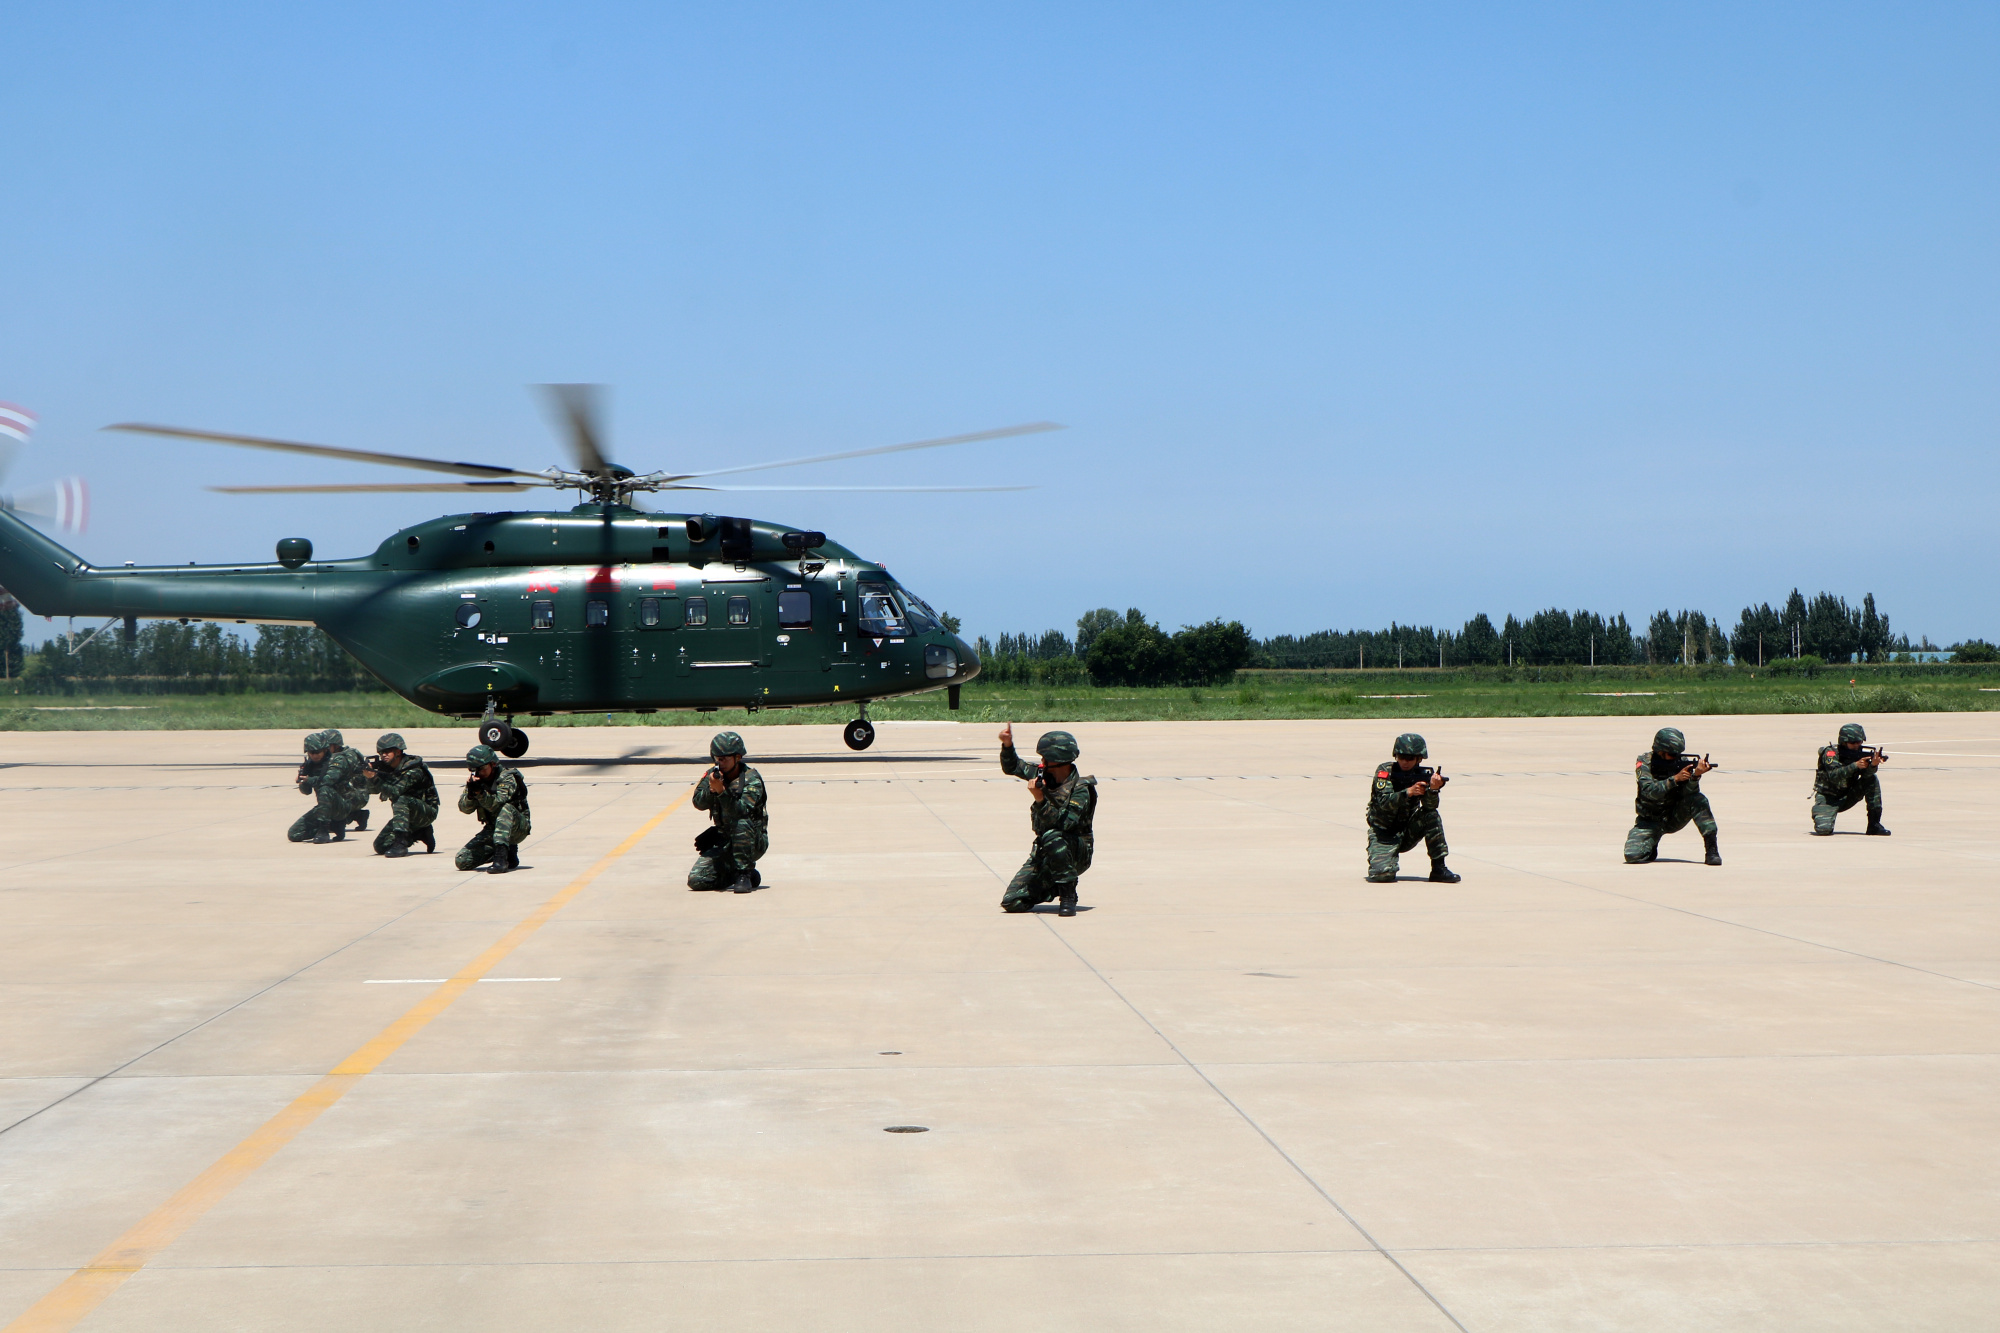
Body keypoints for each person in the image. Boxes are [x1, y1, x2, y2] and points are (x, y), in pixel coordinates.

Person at [998, 724, 1096, 916]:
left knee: (1053, 835)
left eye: (1045, 758)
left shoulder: (1081, 789)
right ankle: (1055, 884)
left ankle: (1068, 894)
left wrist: (1040, 798)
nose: (1041, 762)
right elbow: (1013, 767)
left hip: (1075, 851)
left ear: (1059, 761)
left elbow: (1063, 824)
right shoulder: (1043, 775)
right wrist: (1007, 745)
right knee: (1013, 902)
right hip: (1047, 850)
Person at [1365, 732, 1459, 883]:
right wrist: (1407, 792)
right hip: (1384, 834)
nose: (1405, 762)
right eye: (1401, 757)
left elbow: (1430, 806)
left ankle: (1439, 868)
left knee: (1431, 815)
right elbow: (1383, 803)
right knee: (1382, 875)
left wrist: (1433, 790)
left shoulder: (1422, 775)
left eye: (1410, 758)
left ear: (1418, 759)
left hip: (1407, 831)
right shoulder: (1385, 772)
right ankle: (1388, 861)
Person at [1624, 727, 1721, 865]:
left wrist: (1695, 776)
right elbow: (1648, 790)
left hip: (1673, 816)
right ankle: (1651, 843)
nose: (1676, 757)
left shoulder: (1682, 762)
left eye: (1677, 754)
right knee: (1633, 856)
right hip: (1649, 821)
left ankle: (1711, 849)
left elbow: (1688, 794)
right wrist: (1675, 779)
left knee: (1699, 800)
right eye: (1671, 754)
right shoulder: (1645, 762)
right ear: (1660, 751)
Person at [688, 731, 767, 893]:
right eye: (716, 758)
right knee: (697, 880)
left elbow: (742, 811)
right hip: (726, 840)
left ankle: (744, 873)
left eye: (724, 759)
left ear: (737, 758)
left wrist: (722, 792)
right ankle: (739, 873)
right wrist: (712, 790)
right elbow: (698, 803)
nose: (720, 762)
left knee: (742, 822)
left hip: (752, 841)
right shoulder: (714, 775)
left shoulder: (751, 780)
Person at [457, 743, 530, 873]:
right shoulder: (478, 781)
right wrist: (471, 794)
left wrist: (481, 794)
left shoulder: (507, 778)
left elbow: (497, 803)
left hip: (517, 827)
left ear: (493, 764)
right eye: (475, 770)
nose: (479, 773)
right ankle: (507, 854)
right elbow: (464, 809)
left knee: (505, 808)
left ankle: (501, 858)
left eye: (482, 768)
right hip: (493, 829)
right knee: (463, 860)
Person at [288, 729, 369, 844]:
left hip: (342, 804)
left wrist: (309, 779)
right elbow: (307, 792)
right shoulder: (309, 765)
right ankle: (334, 825)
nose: (314, 755)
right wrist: (303, 782)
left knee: (325, 789)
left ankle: (324, 830)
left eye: (318, 752)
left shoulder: (337, 760)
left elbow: (328, 781)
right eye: (311, 752)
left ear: (325, 750)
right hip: (325, 808)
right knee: (294, 834)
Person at [366, 732, 439, 857]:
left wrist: (375, 778)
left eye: (388, 751)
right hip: (405, 815)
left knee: (401, 798)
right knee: (380, 846)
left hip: (426, 812)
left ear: (398, 752)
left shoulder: (413, 770)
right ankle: (420, 833)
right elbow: (374, 790)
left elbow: (395, 792)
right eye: (381, 752)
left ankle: (401, 844)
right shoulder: (389, 768)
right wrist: (369, 776)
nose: (384, 755)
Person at [1813, 723, 1890, 836]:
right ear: (1843, 742)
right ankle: (1819, 810)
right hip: (1828, 798)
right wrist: (1855, 765)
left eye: (1859, 742)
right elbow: (1834, 775)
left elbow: (1866, 775)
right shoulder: (1831, 754)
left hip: (1847, 796)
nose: (1856, 745)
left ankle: (1874, 824)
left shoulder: (1858, 754)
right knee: (1824, 830)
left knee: (1871, 779)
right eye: (1852, 743)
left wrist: (1873, 765)